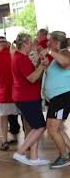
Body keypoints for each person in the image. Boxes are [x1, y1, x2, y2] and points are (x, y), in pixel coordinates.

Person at [11, 33, 50, 166]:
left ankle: (34, 157)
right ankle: (20, 152)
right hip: (26, 97)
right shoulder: (20, 58)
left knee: (35, 126)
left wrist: (40, 66)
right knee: (40, 126)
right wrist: (42, 67)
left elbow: (33, 76)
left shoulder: (20, 57)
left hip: (28, 96)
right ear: (25, 43)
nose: (32, 45)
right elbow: (32, 78)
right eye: (31, 43)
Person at [41, 31, 70, 168]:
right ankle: (67, 153)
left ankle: (64, 157)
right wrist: (46, 66)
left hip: (62, 97)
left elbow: (66, 63)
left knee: (53, 129)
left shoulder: (65, 53)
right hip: (57, 99)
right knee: (56, 129)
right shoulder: (57, 56)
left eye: (50, 41)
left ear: (56, 42)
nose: (48, 44)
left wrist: (50, 52)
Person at [0, 36, 20, 151]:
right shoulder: (17, 53)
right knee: (24, 117)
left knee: (4, 116)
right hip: (21, 91)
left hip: (6, 92)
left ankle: (4, 141)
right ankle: (28, 140)